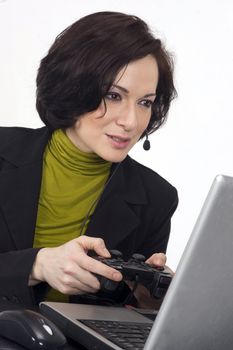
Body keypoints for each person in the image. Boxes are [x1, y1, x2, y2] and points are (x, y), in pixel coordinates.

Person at [0, 11, 178, 310]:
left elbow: (124, 316)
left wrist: (151, 302)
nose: (132, 121)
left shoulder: (156, 198)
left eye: (145, 102)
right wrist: (36, 265)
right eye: (113, 95)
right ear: (73, 87)